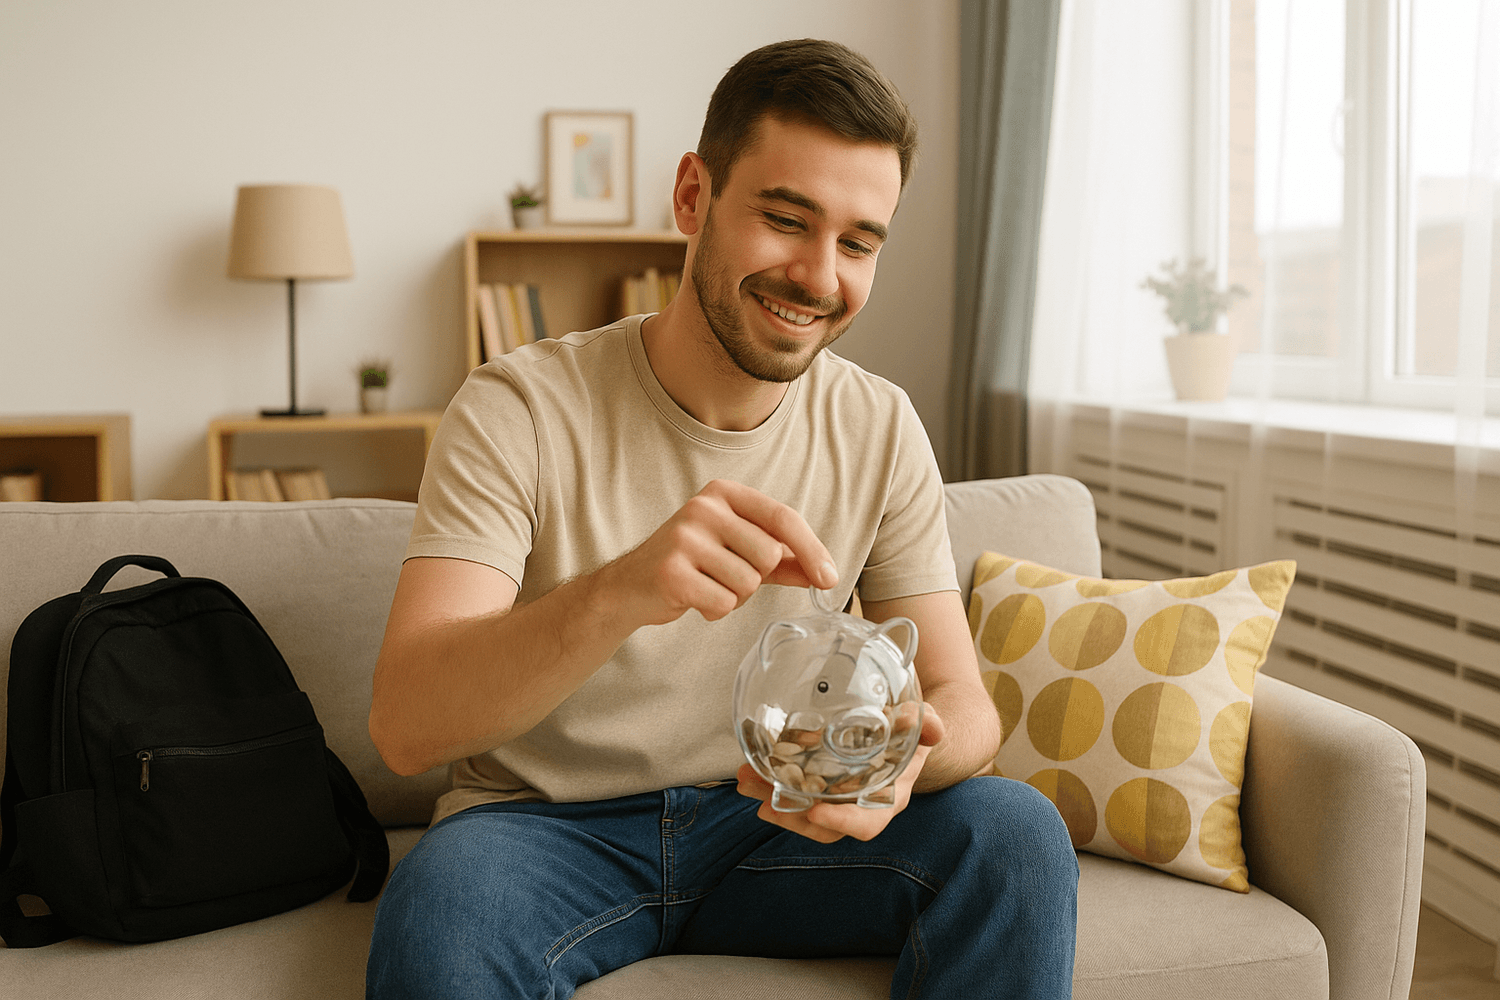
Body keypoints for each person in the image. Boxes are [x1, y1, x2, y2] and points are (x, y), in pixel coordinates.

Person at [365, 37, 1078, 1000]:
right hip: (542, 832)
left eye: (859, 242)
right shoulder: (519, 408)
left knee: (1015, 834)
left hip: (777, 822)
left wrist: (905, 757)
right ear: (693, 196)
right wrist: (622, 591)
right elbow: (407, 728)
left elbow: (966, 703)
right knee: (436, 909)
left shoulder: (880, 425)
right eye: (787, 220)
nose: (821, 277)